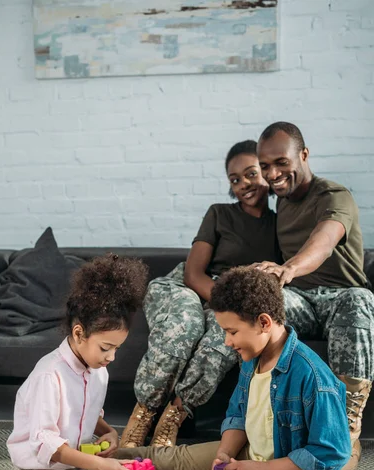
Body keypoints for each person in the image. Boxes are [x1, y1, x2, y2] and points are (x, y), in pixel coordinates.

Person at [117, 267, 350, 470]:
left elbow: (333, 452)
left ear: (264, 322)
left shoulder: (313, 377)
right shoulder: (252, 358)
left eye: (232, 332)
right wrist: (224, 454)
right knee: (164, 457)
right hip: (249, 454)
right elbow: (239, 412)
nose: (227, 342)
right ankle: (93, 467)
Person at [0, 254, 149, 470]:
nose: (111, 357)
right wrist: (99, 466)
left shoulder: (98, 371)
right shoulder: (49, 375)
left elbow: (87, 410)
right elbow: (47, 445)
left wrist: (109, 431)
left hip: (78, 465)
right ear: (79, 333)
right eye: (106, 348)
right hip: (41, 469)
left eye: (117, 348)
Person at [120, 140, 281, 449]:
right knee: (186, 324)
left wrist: (230, 311)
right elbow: (194, 273)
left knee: (224, 338)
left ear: (267, 172)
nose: (243, 184)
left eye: (250, 174)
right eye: (234, 180)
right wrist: (226, 303)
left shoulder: (281, 224)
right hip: (186, 287)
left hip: (230, 301)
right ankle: (142, 415)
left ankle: (173, 416)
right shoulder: (219, 214)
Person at [254, 121, 374, 470]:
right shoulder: (280, 202)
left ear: (303, 155)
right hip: (303, 301)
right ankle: (262, 421)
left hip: (340, 298)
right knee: (262, 309)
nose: (273, 174)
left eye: (281, 162)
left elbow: (323, 241)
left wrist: (288, 268)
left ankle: (347, 431)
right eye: (265, 167)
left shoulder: (334, 196)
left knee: (360, 298)